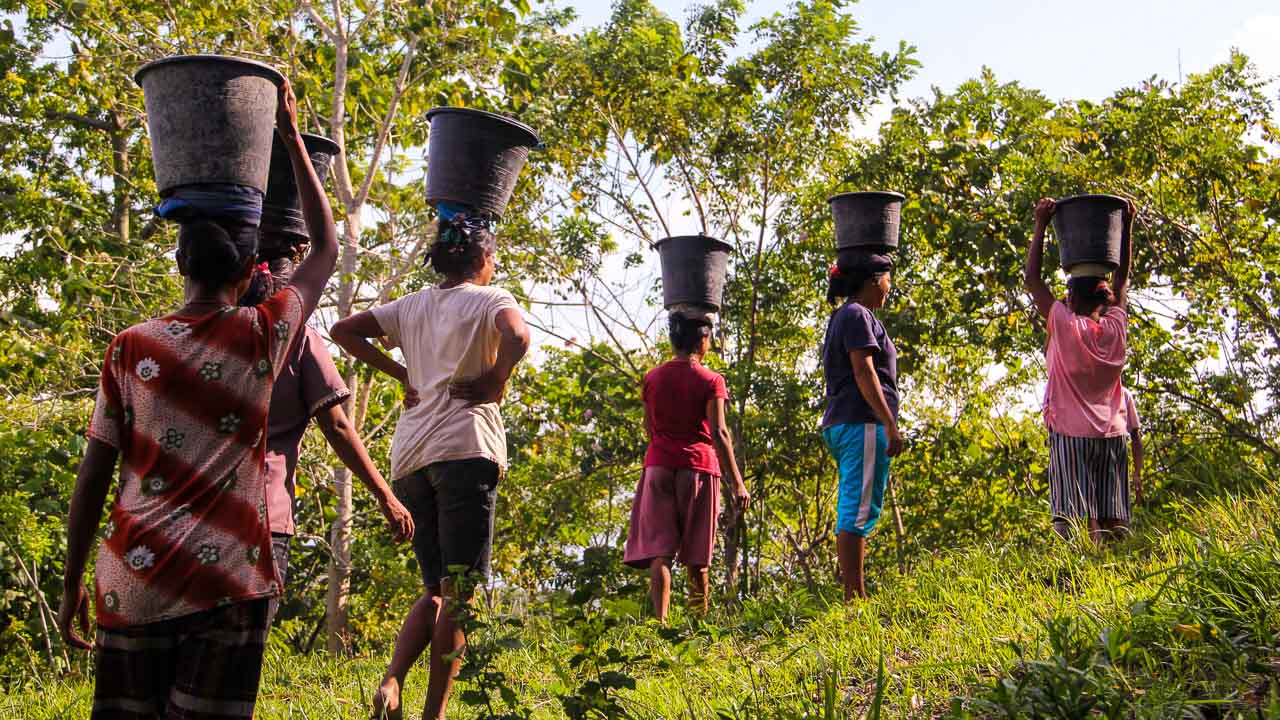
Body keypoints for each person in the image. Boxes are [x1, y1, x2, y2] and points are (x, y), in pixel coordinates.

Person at [57, 79, 337, 720]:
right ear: (248, 274)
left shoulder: (131, 347)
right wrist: (290, 135)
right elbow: (324, 249)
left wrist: (75, 579)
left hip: (138, 577)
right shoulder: (262, 333)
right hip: (228, 582)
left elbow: (94, 473)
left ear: (179, 262)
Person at [331, 211, 530, 720]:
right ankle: (433, 716)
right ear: (483, 259)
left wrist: (403, 372)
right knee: (459, 594)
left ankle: (392, 682)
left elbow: (344, 330)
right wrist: (495, 382)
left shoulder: (412, 305)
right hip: (465, 451)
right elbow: (519, 337)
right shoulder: (492, 298)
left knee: (434, 590)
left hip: (411, 459)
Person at [239, 238, 414, 624]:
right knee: (243, 643)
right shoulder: (299, 339)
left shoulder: (206, 332)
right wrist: (386, 496)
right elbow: (336, 426)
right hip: (264, 515)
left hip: (197, 511)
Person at [623, 310, 750, 622]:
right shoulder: (711, 381)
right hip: (698, 468)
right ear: (703, 340)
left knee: (660, 552)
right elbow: (719, 432)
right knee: (697, 556)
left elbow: (648, 427)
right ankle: (698, 626)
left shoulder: (652, 378)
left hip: (658, 466)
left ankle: (660, 624)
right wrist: (738, 483)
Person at [1024, 196, 1136, 543]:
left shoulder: (1066, 326)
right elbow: (1122, 281)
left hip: (1072, 434)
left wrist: (1041, 223)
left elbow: (1032, 279)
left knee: (1070, 519)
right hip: (1113, 435)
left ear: (1071, 299)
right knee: (1111, 520)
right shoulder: (1116, 326)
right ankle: (1114, 575)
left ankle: (1070, 578)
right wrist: (1126, 226)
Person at [820, 252, 902, 602]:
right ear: (872, 279)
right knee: (856, 507)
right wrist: (889, 422)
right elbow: (864, 371)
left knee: (858, 503)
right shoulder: (856, 314)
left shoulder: (852, 315)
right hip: (860, 421)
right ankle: (855, 598)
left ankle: (855, 594)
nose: (889, 286)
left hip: (850, 422)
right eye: (887, 278)